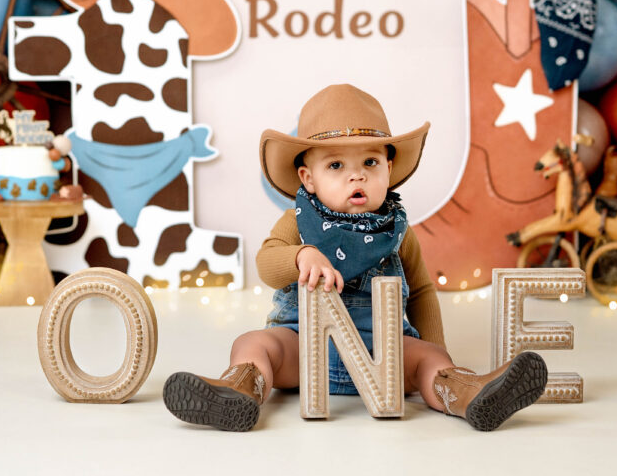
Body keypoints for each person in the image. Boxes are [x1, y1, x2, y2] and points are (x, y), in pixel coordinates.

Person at [163, 84, 548, 432]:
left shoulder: (396, 230)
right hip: (302, 349)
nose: (357, 177)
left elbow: (423, 290)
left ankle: (467, 394)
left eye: (370, 163)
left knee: (427, 359)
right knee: (255, 343)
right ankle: (239, 391)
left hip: (385, 354)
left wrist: (436, 350)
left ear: (389, 168)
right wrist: (301, 256)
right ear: (307, 178)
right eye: (335, 165)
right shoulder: (297, 222)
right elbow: (266, 262)